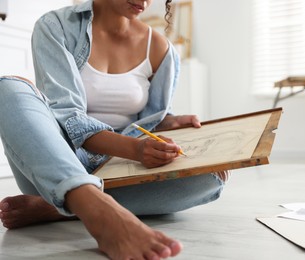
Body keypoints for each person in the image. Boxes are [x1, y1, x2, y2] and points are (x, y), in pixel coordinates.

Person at [0, 0, 229, 259]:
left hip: (123, 167)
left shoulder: (160, 48)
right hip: (61, 159)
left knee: (210, 179)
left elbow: (146, 121)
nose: (144, 2)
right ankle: (98, 211)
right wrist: (136, 148)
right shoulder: (56, 26)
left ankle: (56, 206)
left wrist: (169, 123)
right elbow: (67, 115)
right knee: (8, 89)